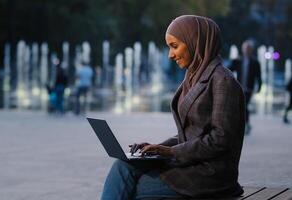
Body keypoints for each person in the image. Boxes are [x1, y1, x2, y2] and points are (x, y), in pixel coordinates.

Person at [101, 15, 246, 199]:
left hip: (209, 175)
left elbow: (220, 140)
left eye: (175, 46)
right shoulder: (192, 77)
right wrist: (157, 147)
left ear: (195, 42)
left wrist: (170, 152)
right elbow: (191, 133)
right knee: (123, 166)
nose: (170, 54)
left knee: (131, 188)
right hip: (190, 165)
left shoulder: (222, 80)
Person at [229, 40, 262, 132]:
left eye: (249, 49)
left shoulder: (255, 62)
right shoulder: (238, 60)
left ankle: (246, 124)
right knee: (239, 106)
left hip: (248, 89)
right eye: (245, 48)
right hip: (239, 88)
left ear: (251, 50)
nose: (247, 50)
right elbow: (229, 69)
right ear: (242, 49)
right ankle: (243, 123)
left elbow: (258, 76)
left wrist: (259, 87)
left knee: (244, 105)